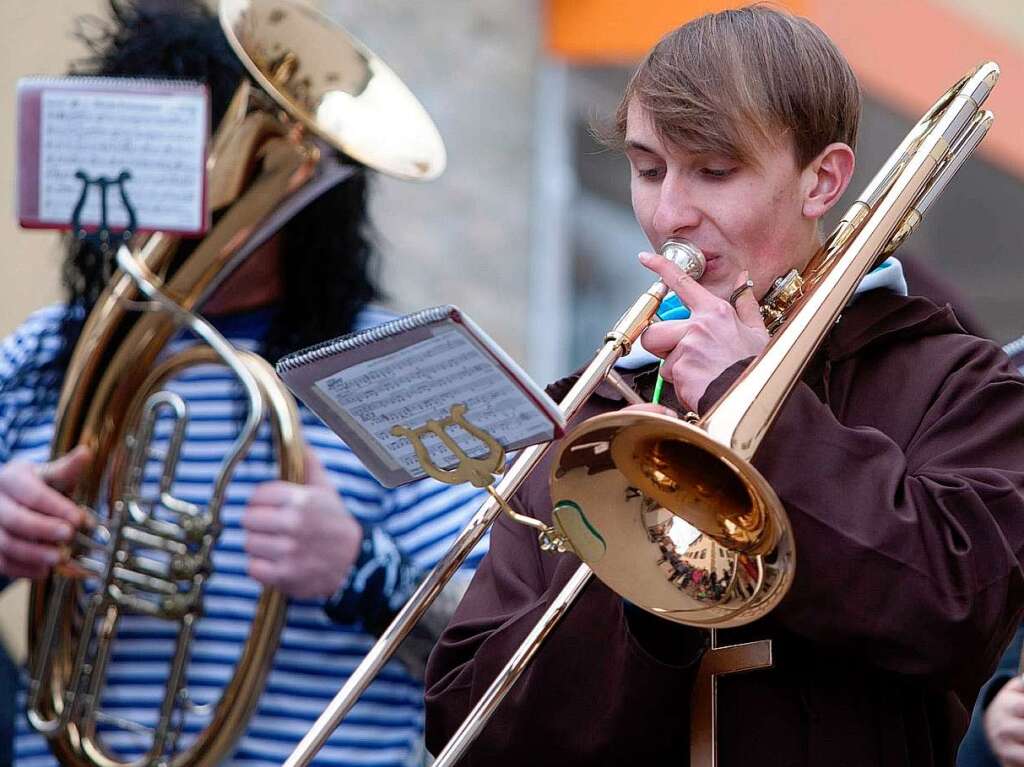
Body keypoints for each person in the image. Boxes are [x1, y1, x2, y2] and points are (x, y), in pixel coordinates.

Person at [424, 7, 1024, 766]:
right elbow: (471, 724)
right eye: (647, 169)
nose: (670, 214)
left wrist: (752, 403)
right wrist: (641, 579)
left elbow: (963, 610)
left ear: (823, 180)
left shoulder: (954, 380)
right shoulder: (592, 409)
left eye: (714, 170)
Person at [0, 2, 486, 765]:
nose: (181, 202)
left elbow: (503, 656)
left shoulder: (404, 366)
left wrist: (361, 569)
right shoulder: (42, 354)